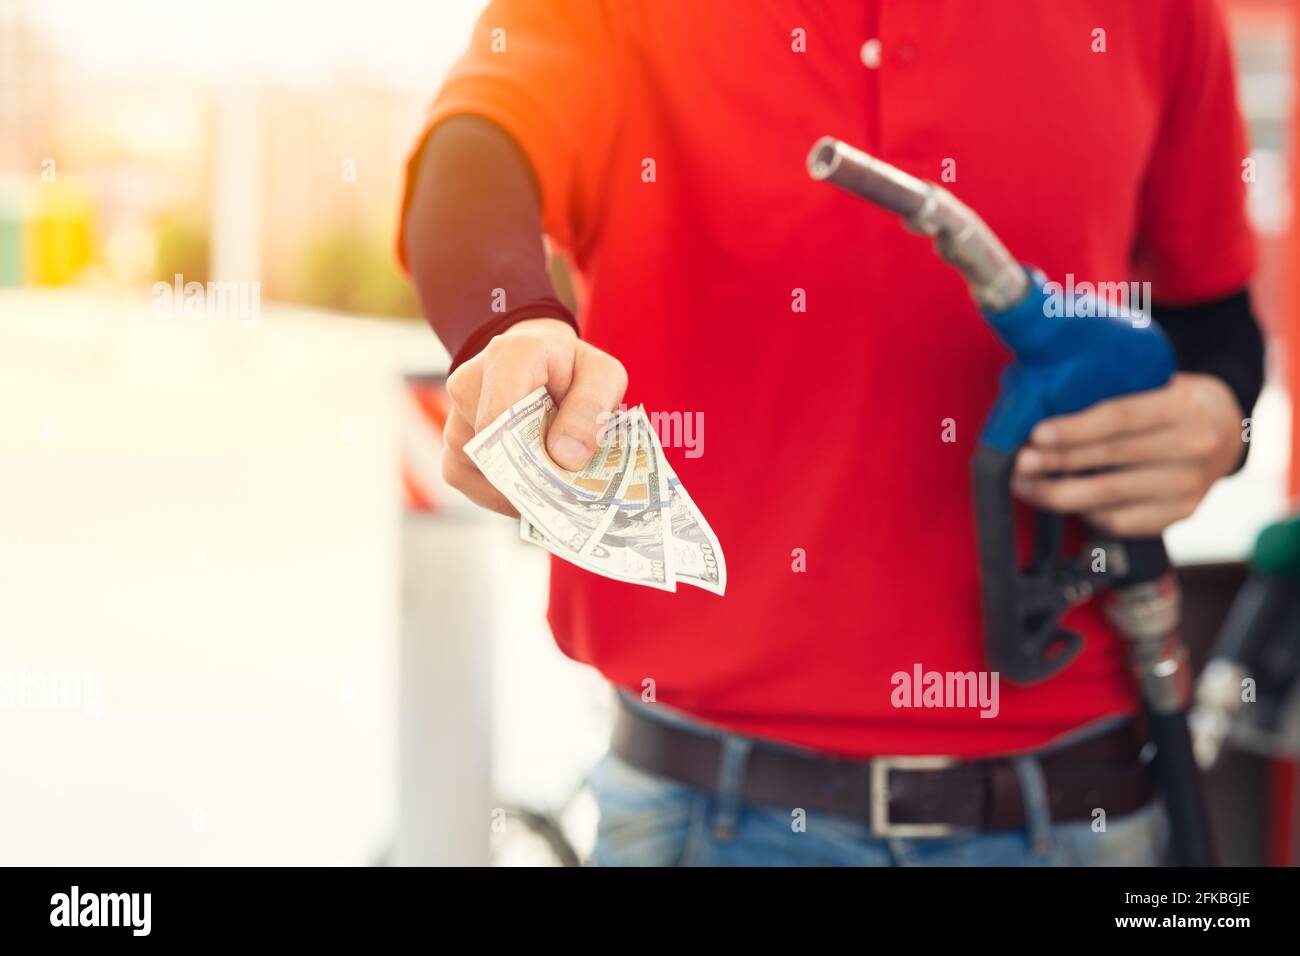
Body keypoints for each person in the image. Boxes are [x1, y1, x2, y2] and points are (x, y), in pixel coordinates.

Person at [399, 0, 1264, 866]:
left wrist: (1221, 421)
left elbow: (1216, 320)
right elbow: (474, 150)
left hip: (1082, 809)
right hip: (710, 813)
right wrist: (508, 326)